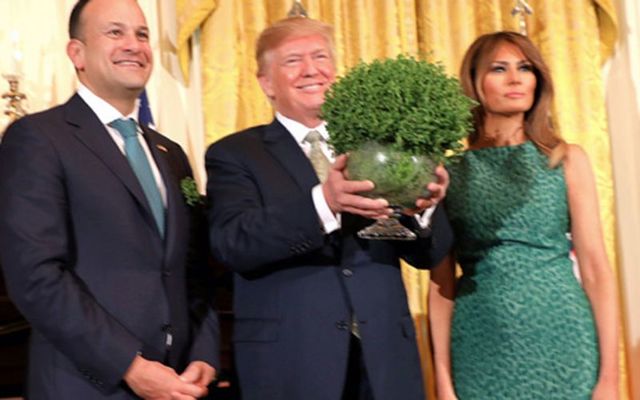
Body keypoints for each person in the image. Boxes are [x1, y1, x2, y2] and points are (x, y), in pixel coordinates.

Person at [205, 16, 453, 400]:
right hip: (293, 364)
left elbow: (428, 256)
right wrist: (325, 202)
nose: (311, 70)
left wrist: (424, 208)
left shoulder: (382, 147)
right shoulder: (235, 154)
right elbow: (234, 243)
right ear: (266, 82)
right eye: (292, 61)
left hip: (385, 360)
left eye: (320, 57)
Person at [0, 0, 219, 398]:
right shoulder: (38, 138)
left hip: (179, 383)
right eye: (115, 32)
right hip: (86, 384)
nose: (133, 45)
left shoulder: (171, 153)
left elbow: (192, 271)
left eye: (142, 34)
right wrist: (131, 367)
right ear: (77, 53)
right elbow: (36, 276)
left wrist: (204, 355)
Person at [428, 31, 619, 399]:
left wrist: (609, 378)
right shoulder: (447, 170)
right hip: (481, 345)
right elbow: (441, 285)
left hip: (565, 341)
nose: (516, 78)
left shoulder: (565, 159)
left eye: (525, 68)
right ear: (474, 82)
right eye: (499, 68)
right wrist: (443, 381)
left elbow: (596, 270)